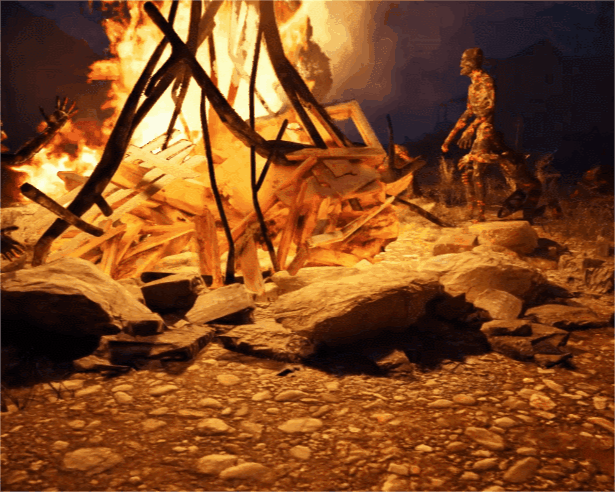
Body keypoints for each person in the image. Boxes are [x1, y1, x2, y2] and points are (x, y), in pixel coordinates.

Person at [441, 48, 542, 222]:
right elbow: (469, 111)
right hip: (483, 129)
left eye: (464, 60)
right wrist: (449, 139)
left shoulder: (486, 81)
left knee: (478, 167)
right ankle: (474, 210)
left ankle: (481, 213)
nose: (460, 64)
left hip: (487, 128)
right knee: (471, 171)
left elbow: (488, 109)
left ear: (473, 62)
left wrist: (470, 133)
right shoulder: (472, 86)